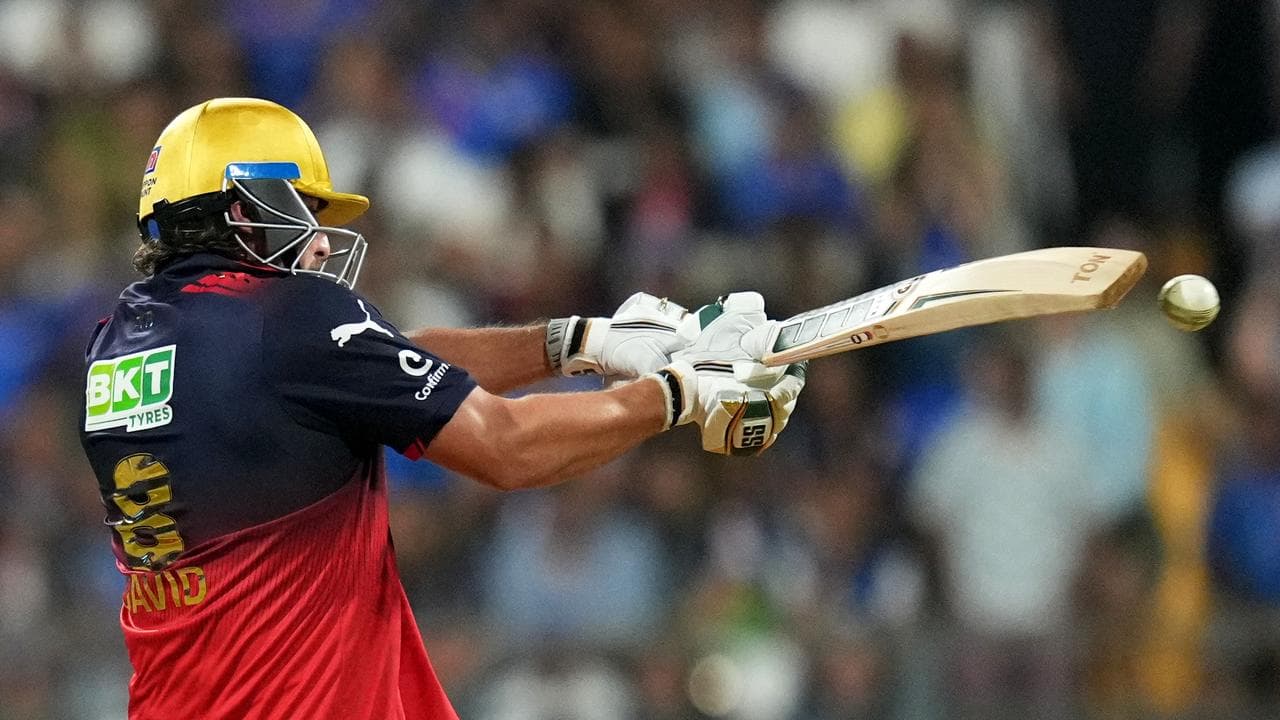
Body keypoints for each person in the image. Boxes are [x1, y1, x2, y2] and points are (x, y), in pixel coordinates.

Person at [77, 97, 805, 719]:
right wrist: (677, 393)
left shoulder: (116, 344)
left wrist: (579, 343)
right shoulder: (289, 317)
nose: (321, 244)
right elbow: (504, 446)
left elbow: (376, 364)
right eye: (304, 212)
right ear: (245, 209)